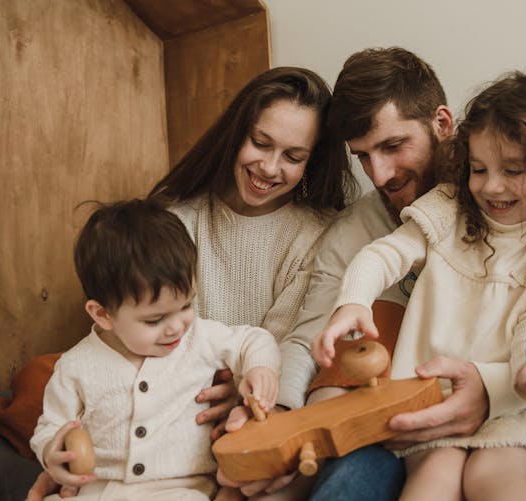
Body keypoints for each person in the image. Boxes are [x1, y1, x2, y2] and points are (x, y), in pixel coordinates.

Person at [297, 47, 526, 500]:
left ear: (443, 126)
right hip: (419, 407)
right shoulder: (422, 217)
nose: (378, 174)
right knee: (363, 484)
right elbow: (320, 325)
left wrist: (507, 382)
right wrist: (352, 304)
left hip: (524, 408)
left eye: (393, 146)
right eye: (362, 156)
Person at [26, 66, 357, 500]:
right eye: (260, 143)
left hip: (249, 404)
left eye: (293, 157)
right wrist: (58, 451)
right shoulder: (176, 217)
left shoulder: (317, 235)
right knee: (40, 381)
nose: (269, 167)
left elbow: (284, 344)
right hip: (171, 393)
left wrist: (244, 389)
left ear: (312, 161)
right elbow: (148, 330)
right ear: (236, 133)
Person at [30, 198, 281, 500]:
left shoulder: (200, 339)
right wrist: (52, 452)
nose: (176, 326)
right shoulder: (76, 366)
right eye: (155, 319)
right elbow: (50, 426)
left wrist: (260, 369)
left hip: (181, 490)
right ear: (102, 314)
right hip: (98, 490)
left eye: (186, 304)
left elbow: (253, 340)